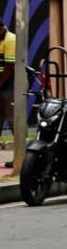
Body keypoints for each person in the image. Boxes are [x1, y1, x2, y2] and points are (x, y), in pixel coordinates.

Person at [0, 22, 14, 168]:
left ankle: (20, 157)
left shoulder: (10, 39)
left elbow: (9, 68)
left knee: (13, 119)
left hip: (11, 85)